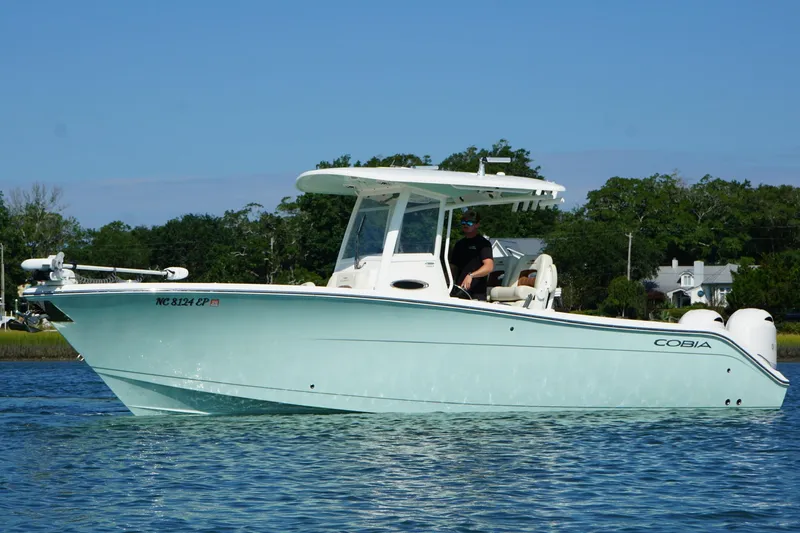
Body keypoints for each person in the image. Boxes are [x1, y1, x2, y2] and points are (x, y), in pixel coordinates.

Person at [448, 210, 494, 300]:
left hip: (477, 294)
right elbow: (453, 267)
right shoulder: (459, 244)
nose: (465, 225)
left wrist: (471, 275)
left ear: (477, 224)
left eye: (469, 222)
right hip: (459, 291)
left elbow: (489, 266)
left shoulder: (483, 244)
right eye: (463, 222)